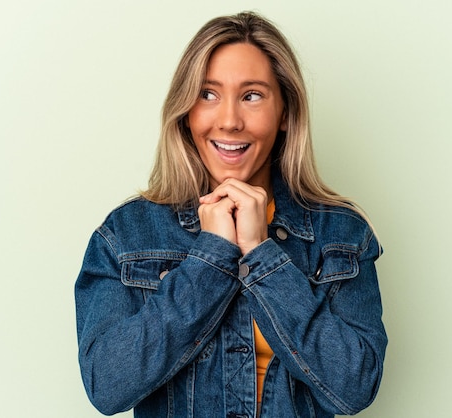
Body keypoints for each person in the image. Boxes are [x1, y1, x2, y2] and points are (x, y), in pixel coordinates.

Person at [75, 11, 387, 418]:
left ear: (286, 115)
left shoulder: (342, 234)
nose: (229, 120)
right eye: (208, 94)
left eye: (252, 95)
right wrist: (211, 255)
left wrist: (261, 254)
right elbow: (107, 386)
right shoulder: (127, 235)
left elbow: (355, 387)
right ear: (186, 112)